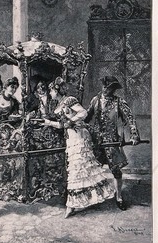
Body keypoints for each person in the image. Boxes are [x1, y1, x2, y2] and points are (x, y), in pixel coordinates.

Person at [44, 77, 115, 218]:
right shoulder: (58, 105)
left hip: (79, 137)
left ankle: (71, 205)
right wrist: (47, 123)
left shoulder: (69, 100)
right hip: (70, 138)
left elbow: (83, 113)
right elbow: (61, 125)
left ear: (56, 90)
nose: (50, 93)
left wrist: (70, 121)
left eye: (51, 91)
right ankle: (77, 202)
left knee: (79, 169)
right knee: (77, 170)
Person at [85, 75, 140, 211]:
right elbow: (86, 118)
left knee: (116, 171)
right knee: (90, 169)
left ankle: (119, 197)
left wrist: (134, 135)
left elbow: (130, 119)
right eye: (104, 86)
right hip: (96, 141)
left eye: (109, 88)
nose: (105, 89)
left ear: (114, 89)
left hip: (112, 141)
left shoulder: (119, 102)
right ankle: (92, 197)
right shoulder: (95, 100)